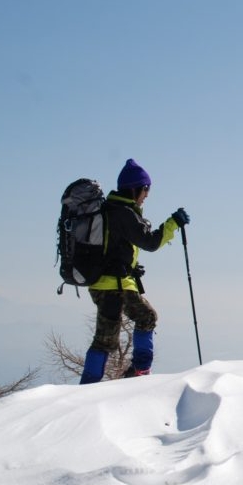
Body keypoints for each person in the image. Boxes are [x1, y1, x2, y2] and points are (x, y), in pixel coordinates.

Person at [79, 158, 189, 384]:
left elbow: (115, 246)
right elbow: (150, 242)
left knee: (141, 319)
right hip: (113, 286)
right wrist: (172, 224)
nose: (147, 195)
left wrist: (130, 265)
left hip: (109, 283)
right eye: (146, 189)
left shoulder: (114, 210)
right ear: (135, 188)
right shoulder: (123, 213)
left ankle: (136, 371)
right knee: (111, 337)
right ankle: (120, 377)